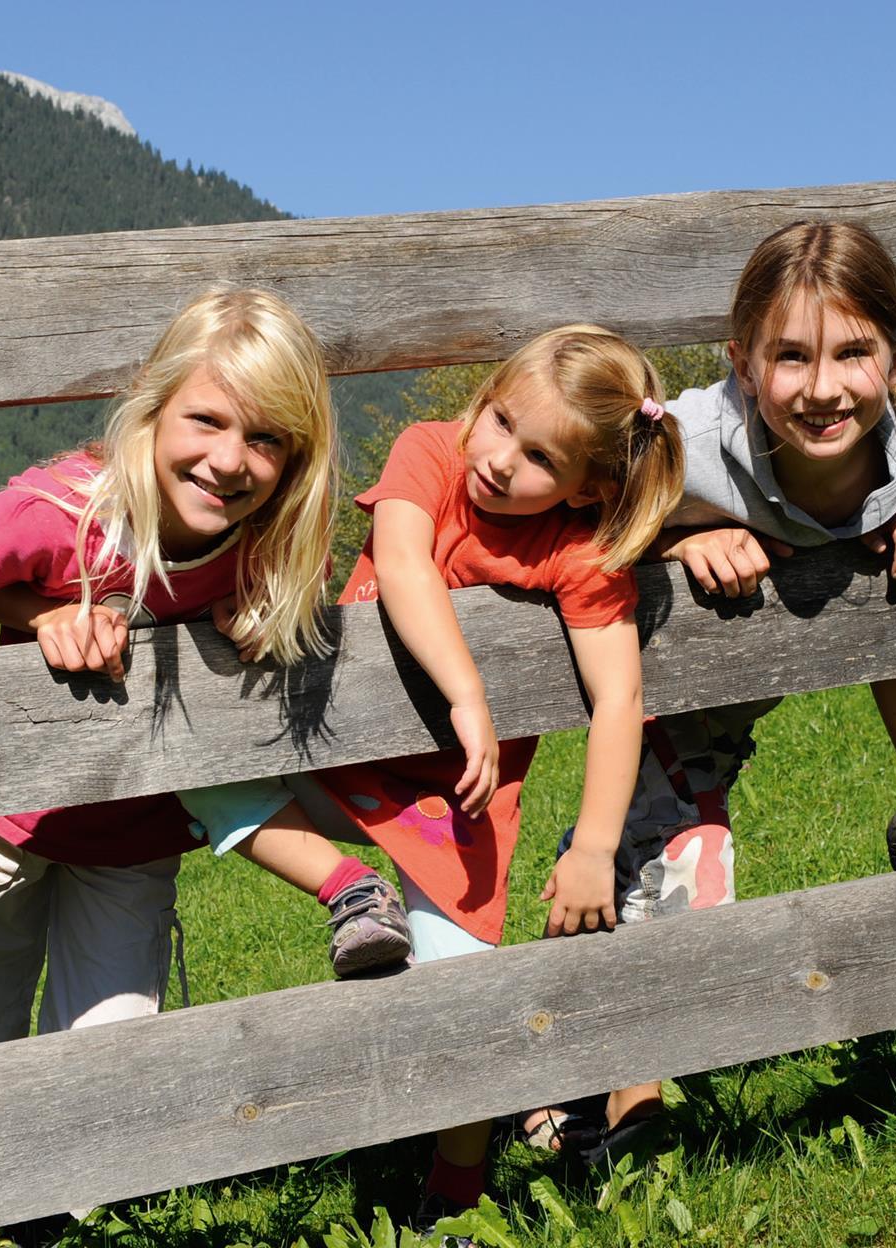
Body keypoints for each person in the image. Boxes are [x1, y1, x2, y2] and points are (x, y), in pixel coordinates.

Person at [184, 323, 683, 1237]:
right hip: (338, 762)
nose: (499, 460)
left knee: (466, 999)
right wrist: (467, 693)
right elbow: (405, 560)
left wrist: (596, 850)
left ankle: (458, 1181)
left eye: (540, 457)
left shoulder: (575, 551)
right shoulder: (431, 454)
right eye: (498, 421)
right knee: (195, 773)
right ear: (481, 397)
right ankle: (348, 887)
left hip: (455, 803)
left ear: (589, 487)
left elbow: (621, 698)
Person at [531, 218, 896, 1164]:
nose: (824, 389)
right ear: (741, 363)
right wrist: (674, 540)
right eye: (790, 359)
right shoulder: (685, 451)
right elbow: (574, 522)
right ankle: (621, 1099)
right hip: (662, 699)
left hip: (744, 700)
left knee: (893, 607)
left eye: (855, 353)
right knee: (677, 866)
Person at [0, 288, 408, 1063]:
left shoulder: (273, 545)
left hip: (135, 827)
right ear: (153, 402)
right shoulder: (61, 512)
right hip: (8, 814)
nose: (227, 461)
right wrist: (49, 613)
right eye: (206, 420)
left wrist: (260, 621)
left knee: (109, 1053)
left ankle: (75, 1190)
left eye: (266, 438)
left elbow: (289, 613)